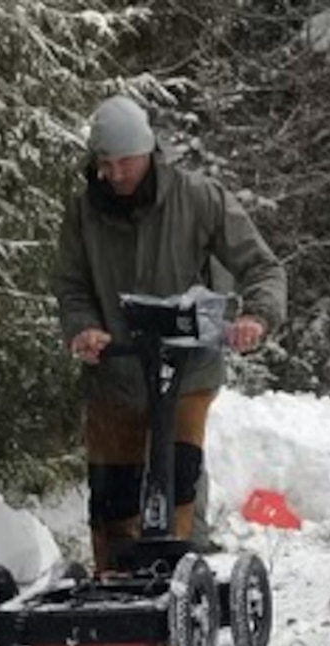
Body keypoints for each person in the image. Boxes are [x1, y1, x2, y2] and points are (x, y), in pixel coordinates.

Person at [52, 94, 287, 571]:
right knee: (113, 496)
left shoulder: (198, 198)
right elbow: (71, 285)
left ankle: (179, 585)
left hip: (186, 368)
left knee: (176, 479)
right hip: (115, 369)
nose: (115, 174)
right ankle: (115, 591)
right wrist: (85, 328)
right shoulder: (84, 213)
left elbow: (262, 266)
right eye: (106, 163)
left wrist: (256, 317)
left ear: (150, 152)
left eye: (126, 162)